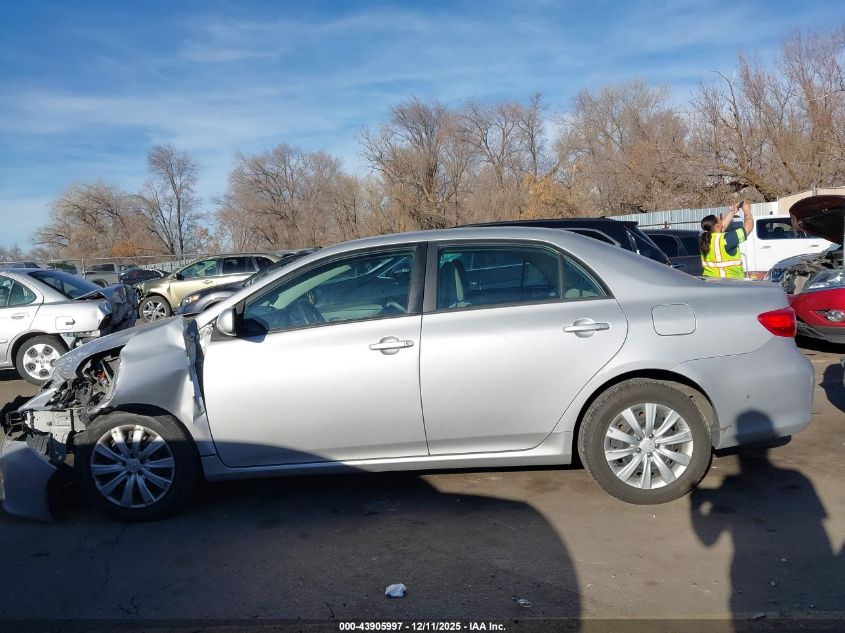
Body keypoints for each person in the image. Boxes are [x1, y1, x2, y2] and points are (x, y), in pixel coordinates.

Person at [699, 200, 754, 278]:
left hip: (710, 281)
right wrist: (747, 211)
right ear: (717, 226)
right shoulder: (726, 239)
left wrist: (732, 212)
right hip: (729, 282)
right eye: (719, 220)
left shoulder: (705, 239)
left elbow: (721, 227)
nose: (722, 221)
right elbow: (749, 226)